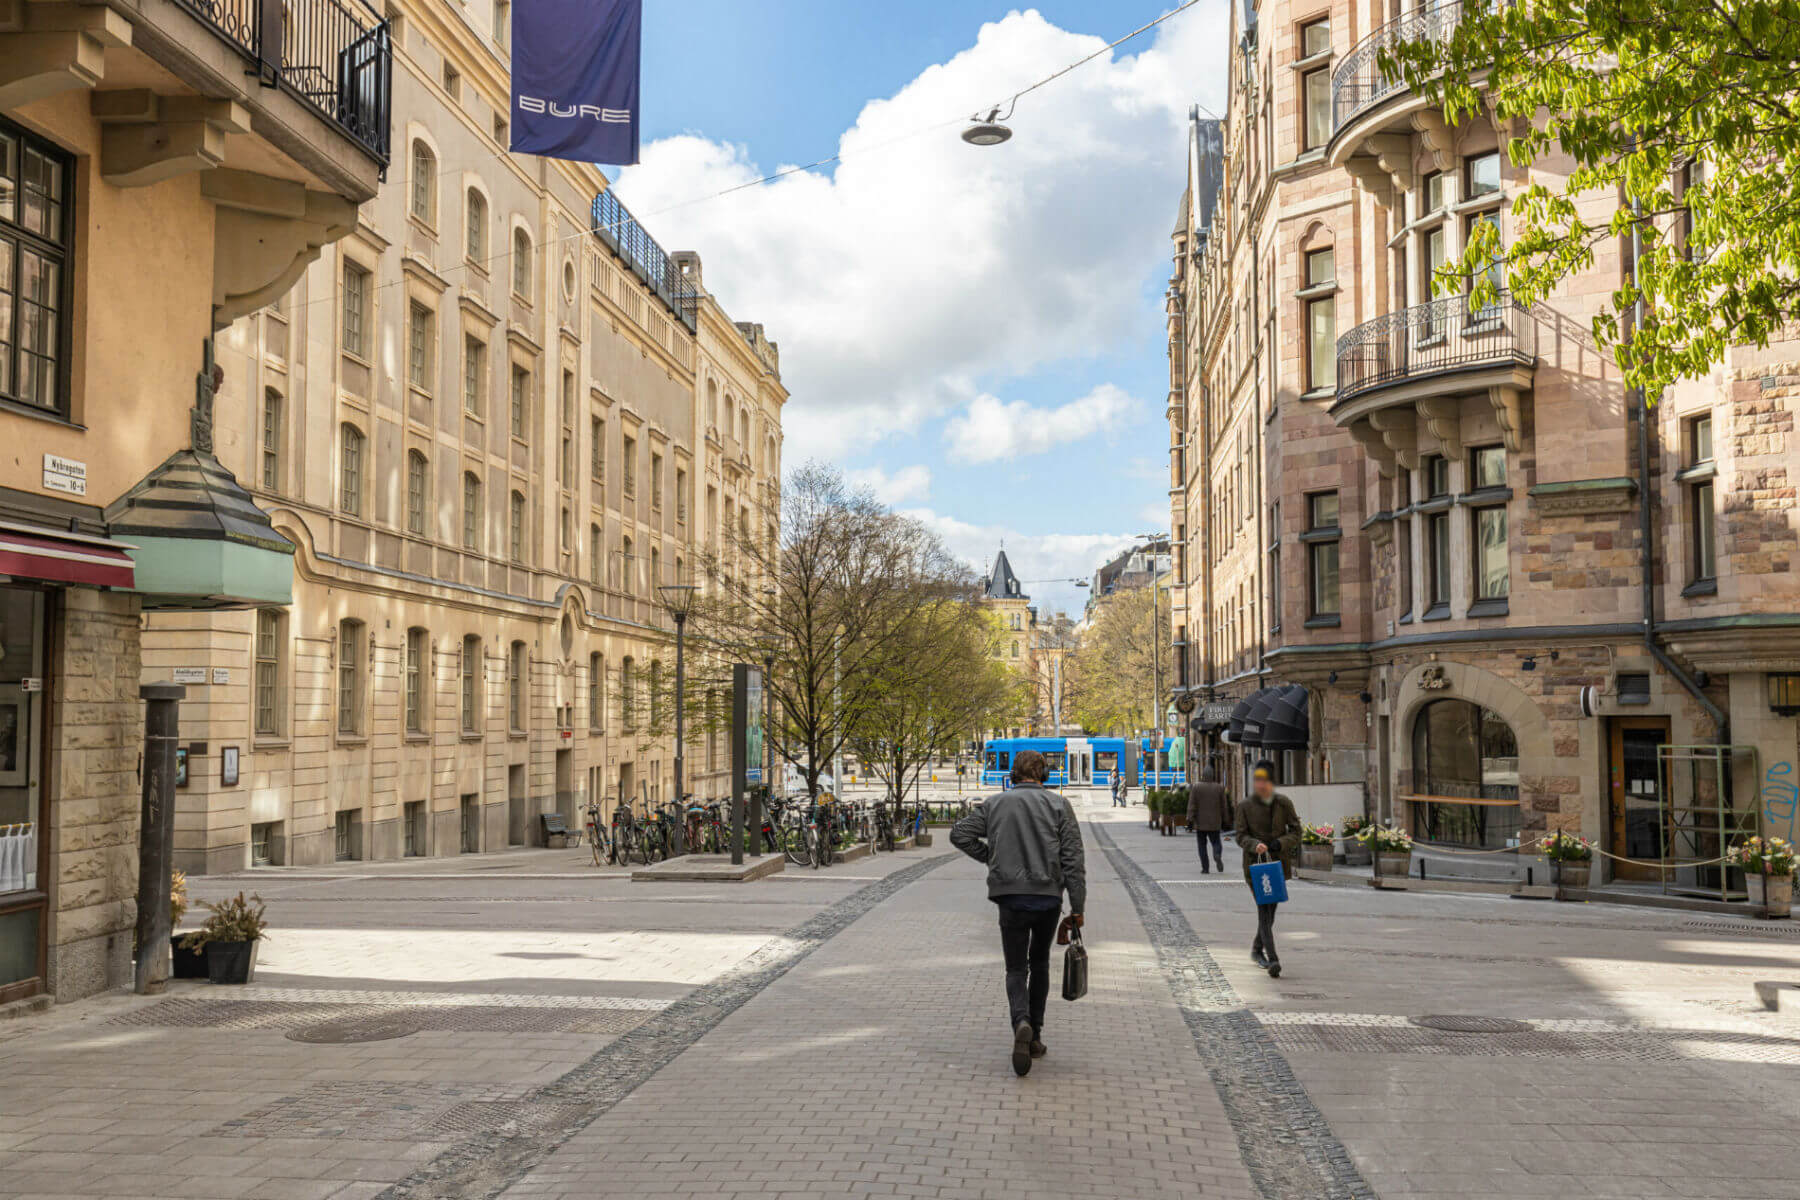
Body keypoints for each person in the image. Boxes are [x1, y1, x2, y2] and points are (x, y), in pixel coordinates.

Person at [951, 748, 1087, 1077]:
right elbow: (1073, 860)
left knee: (1015, 968)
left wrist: (992, 858)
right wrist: (1078, 907)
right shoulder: (1059, 805)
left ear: (1013, 774)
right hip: (1047, 898)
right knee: (1039, 964)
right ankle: (1035, 1035)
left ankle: (1020, 1021)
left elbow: (959, 834)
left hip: (1009, 896)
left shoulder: (995, 804)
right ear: (1044, 775)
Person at [1235, 759, 1301, 978]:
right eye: (1257, 779)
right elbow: (1240, 836)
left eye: (1264, 779)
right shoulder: (1245, 806)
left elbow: (1296, 831)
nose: (1260, 784)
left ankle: (1256, 949)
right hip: (1255, 867)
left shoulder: (1283, 803)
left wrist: (1280, 843)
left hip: (1277, 865)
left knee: (1270, 912)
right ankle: (1273, 959)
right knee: (1264, 910)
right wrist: (1254, 844)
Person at [1187, 768, 1229, 875]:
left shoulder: (1196, 787)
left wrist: (1190, 820)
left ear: (1203, 775)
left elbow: (1192, 805)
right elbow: (1224, 806)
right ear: (1212, 776)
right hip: (1215, 822)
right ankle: (1217, 854)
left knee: (1202, 845)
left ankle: (1205, 868)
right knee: (1216, 842)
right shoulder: (1219, 788)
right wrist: (1226, 820)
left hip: (1200, 823)